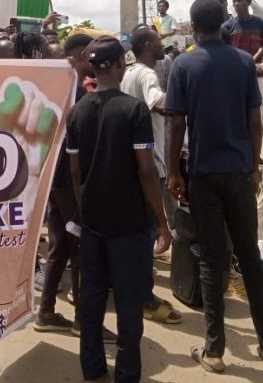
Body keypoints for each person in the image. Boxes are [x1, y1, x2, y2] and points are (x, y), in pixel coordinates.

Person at [165, 0, 263, 374]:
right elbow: (253, 120)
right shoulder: (244, 62)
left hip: (203, 174)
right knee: (249, 257)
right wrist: (254, 166)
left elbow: (176, 123)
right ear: (224, 24)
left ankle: (214, 350)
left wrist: (173, 171)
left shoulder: (183, 64)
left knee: (212, 261)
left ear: (193, 26)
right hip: (239, 172)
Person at [67, 36, 171, 383]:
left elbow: (76, 172)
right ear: (116, 65)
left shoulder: (77, 111)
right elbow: (146, 170)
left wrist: (85, 209)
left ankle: (92, 368)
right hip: (129, 223)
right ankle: (127, 374)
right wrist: (162, 221)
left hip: (93, 223)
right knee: (128, 301)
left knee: (92, 295)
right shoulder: (133, 110)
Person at [34, 34, 98, 336]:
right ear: (81, 56)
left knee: (60, 246)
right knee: (80, 248)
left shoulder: (58, 89)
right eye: (91, 55)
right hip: (69, 181)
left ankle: (46, 311)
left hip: (54, 179)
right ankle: (83, 321)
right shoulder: (78, 92)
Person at [120, 27, 183, 326]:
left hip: (132, 161)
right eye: (158, 41)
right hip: (151, 163)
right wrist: (190, 94)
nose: (162, 45)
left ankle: (136, 290)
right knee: (150, 231)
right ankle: (145, 299)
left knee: (138, 232)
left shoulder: (129, 73)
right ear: (148, 45)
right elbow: (161, 103)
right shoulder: (146, 75)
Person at [223, 0, 263, 149]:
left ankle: (256, 153)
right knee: (237, 113)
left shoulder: (260, 24)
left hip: (257, 75)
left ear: (249, 2)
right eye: (234, 1)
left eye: (240, 0)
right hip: (236, 75)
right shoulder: (228, 26)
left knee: (258, 114)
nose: (236, 4)